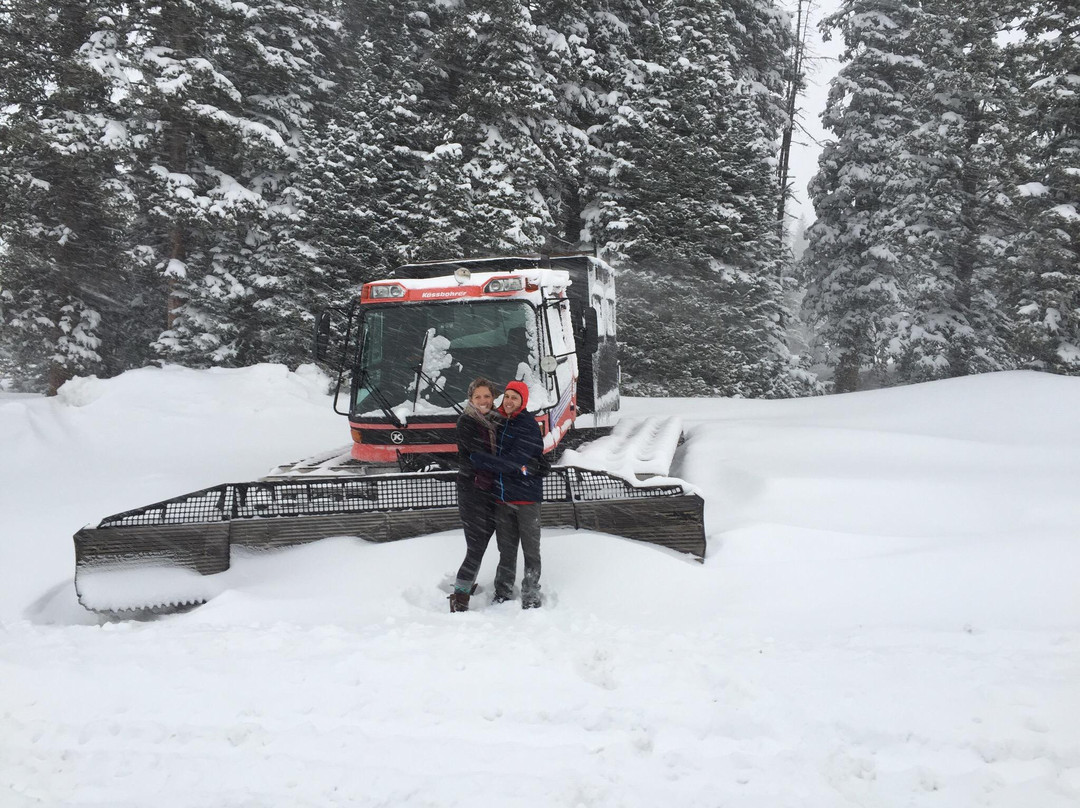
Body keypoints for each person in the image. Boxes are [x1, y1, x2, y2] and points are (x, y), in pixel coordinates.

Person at [470, 380, 545, 609]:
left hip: (526, 500)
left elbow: (514, 462)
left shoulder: (527, 425)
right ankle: (502, 590)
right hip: (503, 499)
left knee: (530, 550)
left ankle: (531, 593)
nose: (510, 401)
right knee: (506, 549)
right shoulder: (498, 422)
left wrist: (481, 460)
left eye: (515, 397)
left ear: (523, 402)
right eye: (508, 396)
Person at [449, 378, 500, 612]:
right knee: (476, 545)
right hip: (472, 491)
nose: (483, 401)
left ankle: (466, 585)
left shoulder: (498, 421)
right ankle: (459, 597)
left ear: (493, 397)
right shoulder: (466, 422)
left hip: (491, 490)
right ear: (471, 399)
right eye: (478, 396)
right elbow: (478, 455)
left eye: (487, 396)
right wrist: (509, 464)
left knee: (484, 542)